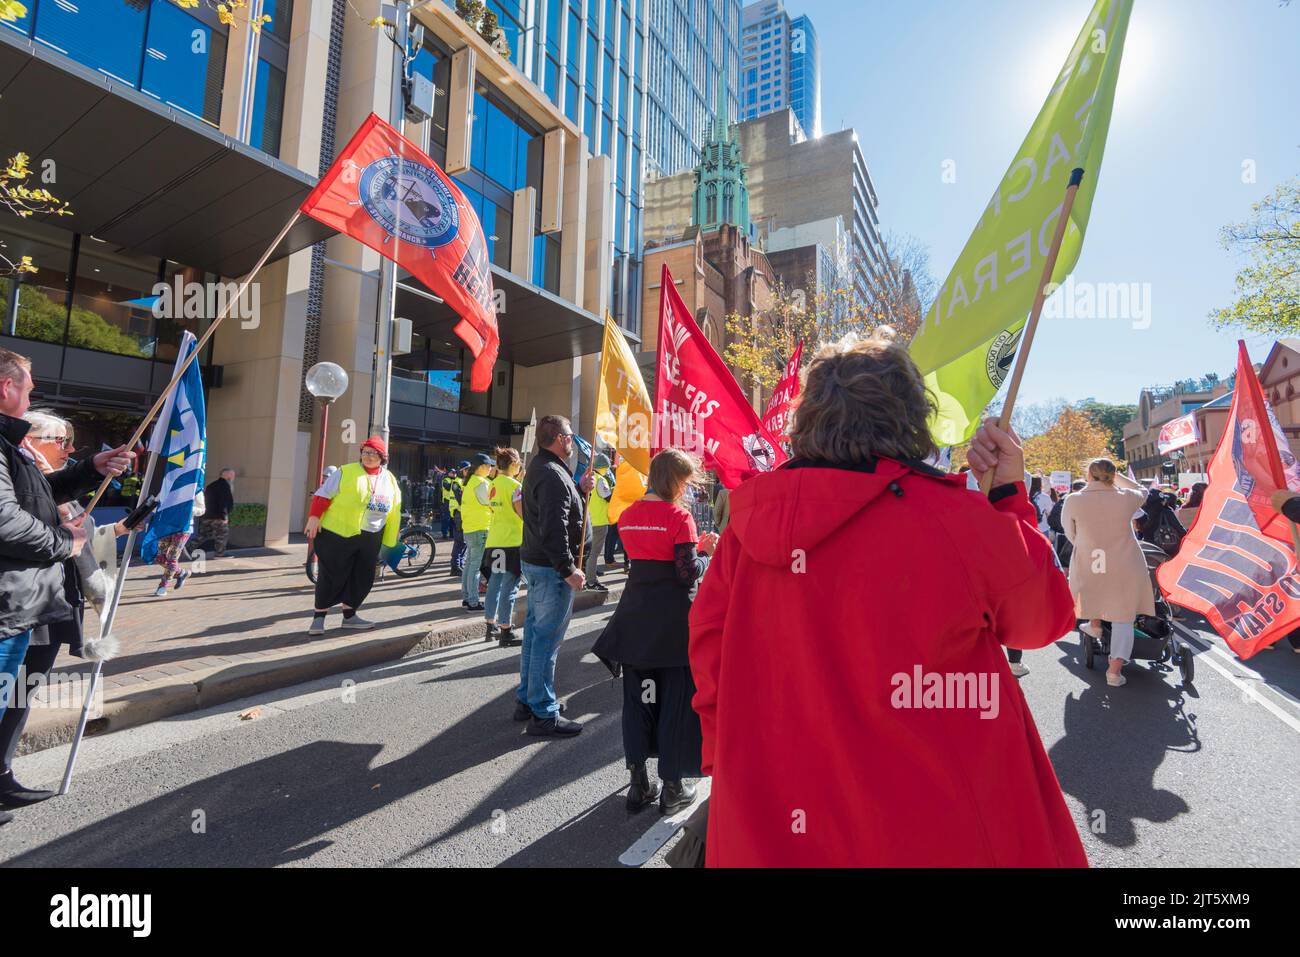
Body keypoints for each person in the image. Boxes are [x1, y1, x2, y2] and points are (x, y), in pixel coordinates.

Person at [687, 335, 1085, 867]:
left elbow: (709, 649)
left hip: (778, 819)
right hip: (933, 820)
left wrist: (729, 762)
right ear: (910, 419)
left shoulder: (747, 526)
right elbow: (1044, 617)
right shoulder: (955, 520)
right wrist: (1009, 498)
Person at [0, 348, 133, 826]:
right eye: (29, 388)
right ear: (6, 389)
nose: (32, 394)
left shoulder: (11, 447)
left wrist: (94, 466)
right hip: (9, 602)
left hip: (31, 601)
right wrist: (67, 540)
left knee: (17, 696)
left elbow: (41, 495)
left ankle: (2, 776)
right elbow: (5, 522)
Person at [593, 449, 717, 814]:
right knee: (674, 705)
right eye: (686, 482)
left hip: (635, 623)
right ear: (675, 481)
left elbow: (645, 562)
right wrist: (706, 552)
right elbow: (685, 572)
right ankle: (672, 788)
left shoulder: (629, 517)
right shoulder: (680, 517)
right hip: (674, 627)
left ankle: (637, 784)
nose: (687, 490)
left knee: (639, 702)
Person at [516, 415, 593, 736]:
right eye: (571, 436)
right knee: (546, 640)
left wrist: (578, 488)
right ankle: (543, 713)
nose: (574, 442)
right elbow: (553, 527)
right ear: (560, 439)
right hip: (550, 571)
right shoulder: (550, 474)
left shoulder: (545, 468)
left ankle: (529, 699)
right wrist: (568, 569)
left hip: (538, 565)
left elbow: (553, 510)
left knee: (535, 635)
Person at [1060, 459, 1154, 688]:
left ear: (1089, 475)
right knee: (1124, 617)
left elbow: (1068, 530)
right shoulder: (1126, 497)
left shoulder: (1074, 499)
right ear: (1112, 475)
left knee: (1093, 593)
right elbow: (1142, 490)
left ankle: (1095, 625)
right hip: (1126, 561)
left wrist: (1085, 545)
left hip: (1092, 558)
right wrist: (1117, 476)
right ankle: (1114, 671)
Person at [303, 436, 401, 636]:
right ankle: (319, 618)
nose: (368, 456)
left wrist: (391, 540)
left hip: (372, 535)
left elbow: (395, 510)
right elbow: (323, 494)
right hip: (340, 533)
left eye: (373, 453)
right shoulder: (345, 471)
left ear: (382, 457)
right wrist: (314, 517)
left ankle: (349, 616)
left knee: (362, 577)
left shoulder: (389, 478)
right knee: (331, 574)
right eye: (365, 452)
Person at [483, 447, 525, 648]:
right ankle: (506, 630)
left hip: (495, 541)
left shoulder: (493, 484)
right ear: (514, 464)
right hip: (512, 542)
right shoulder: (515, 486)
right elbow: (522, 514)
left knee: (495, 583)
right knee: (510, 586)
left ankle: (490, 625)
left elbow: (492, 508)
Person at [459, 452, 495, 611]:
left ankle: (467, 597)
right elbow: (490, 504)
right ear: (480, 467)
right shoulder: (481, 483)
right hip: (481, 528)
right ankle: (473, 600)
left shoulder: (470, 482)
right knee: (474, 566)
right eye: (488, 466)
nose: (491, 468)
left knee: (469, 565)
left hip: (470, 528)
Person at [608, 456, 646, 573]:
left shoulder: (625, 475)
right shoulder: (627, 474)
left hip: (627, 514)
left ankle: (628, 564)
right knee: (629, 541)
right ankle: (629, 564)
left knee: (628, 541)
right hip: (627, 514)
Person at [584, 453, 614, 591]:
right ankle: (591, 581)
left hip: (588, 521)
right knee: (594, 553)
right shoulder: (601, 480)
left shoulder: (588, 477)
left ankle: (587, 576)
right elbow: (608, 497)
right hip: (599, 522)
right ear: (603, 467)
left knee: (588, 552)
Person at [197, 467, 236, 557]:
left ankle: (188, 548)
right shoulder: (225, 486)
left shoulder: (211, 485)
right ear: (226, 475)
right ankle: (220, 553)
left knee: (204, 535)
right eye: (232, 474)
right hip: (219, 517)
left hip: (207, 515)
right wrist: (224, 517)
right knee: (222, 535)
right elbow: (224, 503)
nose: (233, 477)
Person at [447, 460, 468, 575]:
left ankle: (458, 565)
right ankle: (456, 566)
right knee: (460, 541)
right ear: (463, 470)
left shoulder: (461, 482)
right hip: (459, 514)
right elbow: (461, 499)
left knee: (461, 542)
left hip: (460, 514)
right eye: (468, 469)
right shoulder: (458, 483)